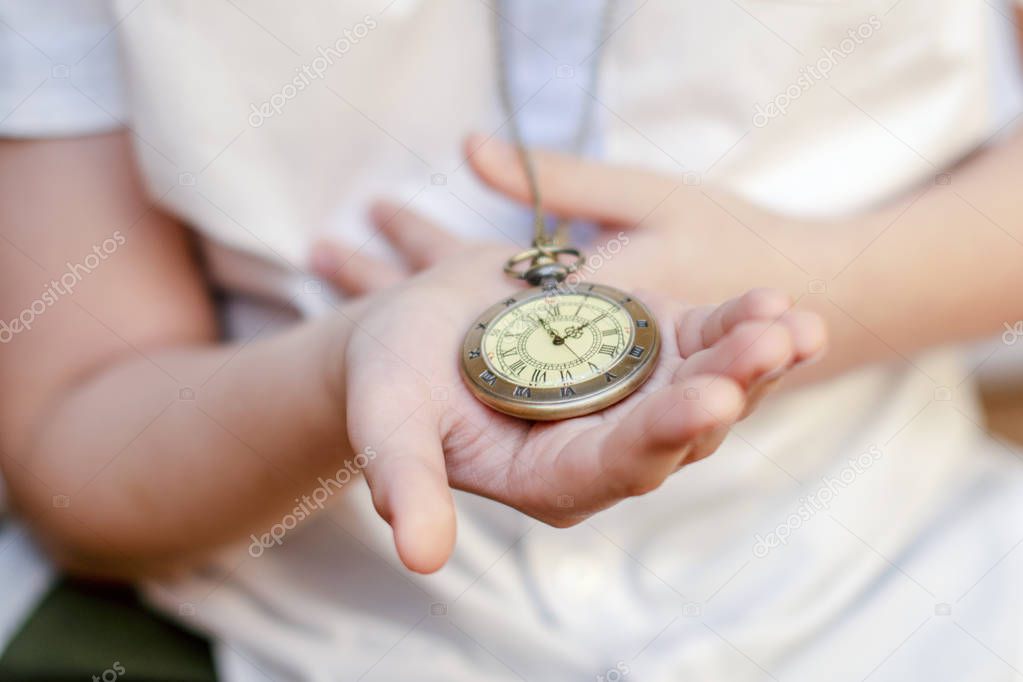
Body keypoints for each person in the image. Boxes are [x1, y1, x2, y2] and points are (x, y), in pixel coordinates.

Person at [0, 1, 1020, 680]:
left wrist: (806, 284)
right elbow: (72, 438)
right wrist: (344, 372)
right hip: (312, 631)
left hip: (907, 581)